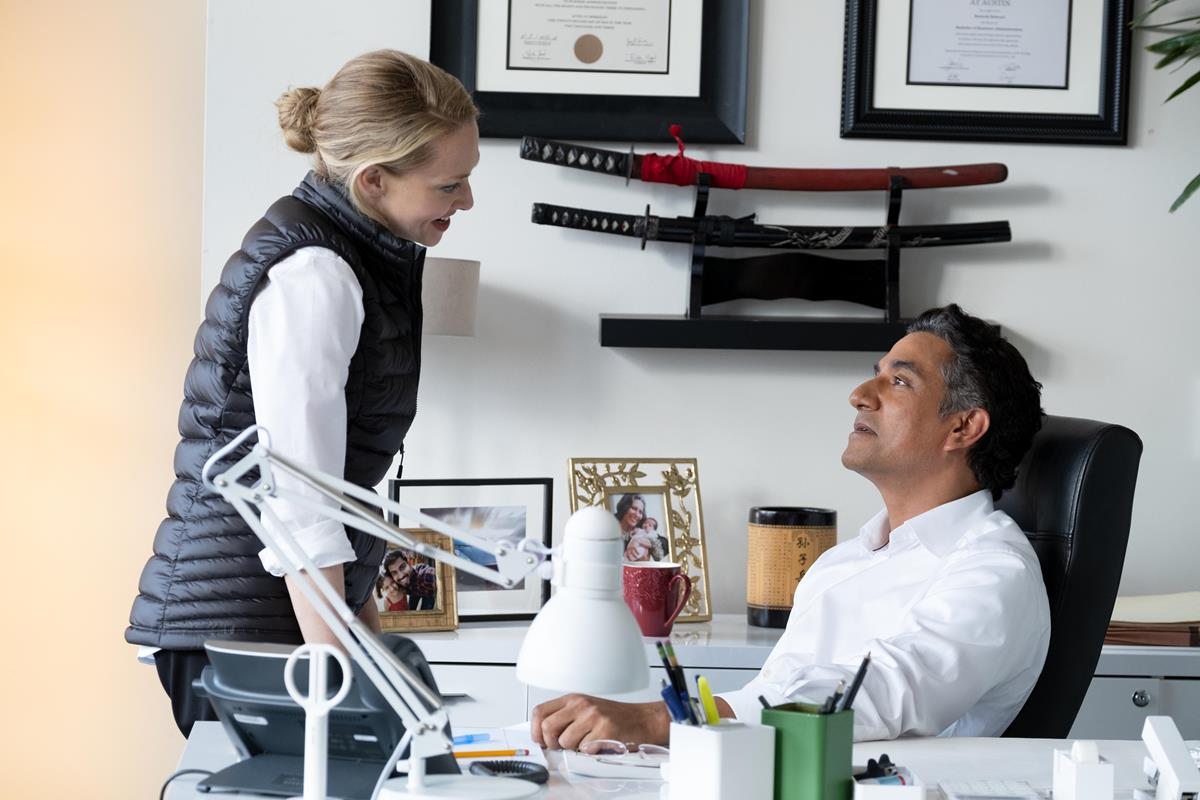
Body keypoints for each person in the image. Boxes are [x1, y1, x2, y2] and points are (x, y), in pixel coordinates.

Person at [125, 49, 479, 737]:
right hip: (238, 631)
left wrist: (372, 649)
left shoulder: (357, 254)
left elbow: (334, 496)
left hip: (272, 617)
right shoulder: (315, 277)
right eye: (449, 185)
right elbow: (303, 504)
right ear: (374, 180)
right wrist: (346, 687)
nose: (466, 200)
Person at [532, 304, 1050, 748]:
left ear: (963, 427)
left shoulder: (993, 571)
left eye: (899, 380)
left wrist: (662, 720)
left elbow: (879, 692)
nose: (860, 394)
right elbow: (773, 693)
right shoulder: (845, 560)